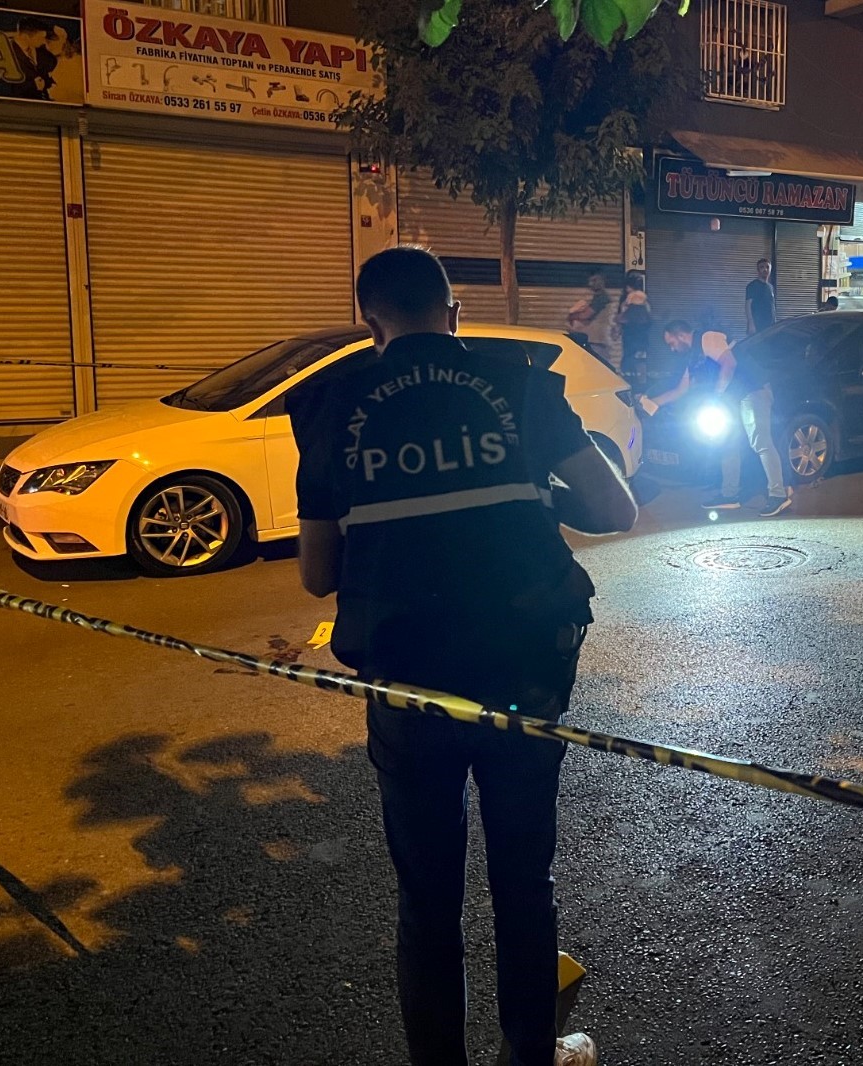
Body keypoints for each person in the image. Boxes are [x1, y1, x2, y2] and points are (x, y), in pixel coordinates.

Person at [290, 247, 636, 1066]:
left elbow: (316, 575)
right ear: (453, 313)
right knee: (523, 882)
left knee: (426, 899)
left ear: (370, 324)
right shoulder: (521, 385)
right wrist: (522, 489)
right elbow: (615, 508)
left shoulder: (334, 406)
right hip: (524, 673)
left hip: (408, 686)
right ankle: (532, 1055)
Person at [649, 320, 789, 516]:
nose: (672, 349)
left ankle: (779, 495)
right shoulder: (693, 357)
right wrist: (651, 403)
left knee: (761, 442)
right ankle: (730, 495)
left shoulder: (707, 338)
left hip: (752, 390)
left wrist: (716, 397)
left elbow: (729, 364)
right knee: (728, 444)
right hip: (733, 398)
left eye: (671, 343)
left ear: (681, 335)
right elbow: (681, 389)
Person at [566, 272, 616, 367]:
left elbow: (586, 315)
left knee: (598, 366)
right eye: (590, 281)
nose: (590, 284)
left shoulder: (601, 298)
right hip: (598, 339)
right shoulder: (599, 297)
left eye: (594, 280)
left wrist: (572, 315)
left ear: (602, 281)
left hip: (598, 339)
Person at [615, 271, 652, 387]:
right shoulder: (645, 301)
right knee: (638, 362)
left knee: (629, 362)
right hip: (640, 337)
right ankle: (640, 384)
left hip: (632, 336)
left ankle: (633, 385)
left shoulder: (632, 299)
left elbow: (624, 318)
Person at [746, 258, 776, 335]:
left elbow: (772, 306)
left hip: (770, 326)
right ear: (758, 270)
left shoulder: (770, 287)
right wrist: (751, 324)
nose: (765, 269)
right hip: (757, 325)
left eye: (767, 267)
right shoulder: (752, 285)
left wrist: (774, 324)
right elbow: (748, 305)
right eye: (762, 267)